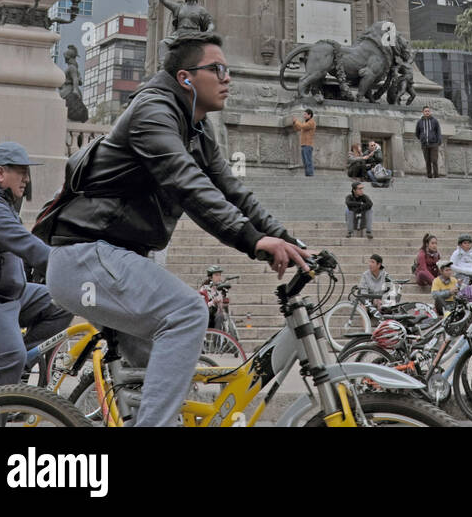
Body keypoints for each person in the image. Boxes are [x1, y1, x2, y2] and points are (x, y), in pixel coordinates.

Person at [43, 34, 310, 429]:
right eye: (217, 69)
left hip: (115, 261)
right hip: (87, 257)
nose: (227, 78)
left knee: (168, 385)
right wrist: (252, 241)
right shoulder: (153, 113)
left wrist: (289, 240)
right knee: (187, 311)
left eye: (229, 70)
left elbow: (233, 192)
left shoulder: (197, 132)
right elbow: (187, 184)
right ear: (186, 78)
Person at [0, 144, 72, 389]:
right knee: (10, 355)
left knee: (61, 302)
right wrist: (76, 268)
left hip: (8, 294)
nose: (27, 179)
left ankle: (20, 370)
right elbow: (28, 246)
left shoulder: (1, 201)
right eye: (21, 172)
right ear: (0, 174)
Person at [414, 106, 442, 179]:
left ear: (430, 112)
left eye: (428, 111)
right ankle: (429, 176)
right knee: (427, 161)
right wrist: (422, 139)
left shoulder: (435, 121)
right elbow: (417, 133)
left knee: (434, 160)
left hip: (434, 144)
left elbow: (438, 131)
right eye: (425, 111)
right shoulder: (419, 122)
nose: (427, 112)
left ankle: (436, 176)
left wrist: (438, 141)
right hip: (424, 144)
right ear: (423, 112)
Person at [292, 108, 316, 177]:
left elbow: (302, 126)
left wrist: (296, 121)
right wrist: (294, 123)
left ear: (309, 115)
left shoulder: (311, 122)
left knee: (308, 161)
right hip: (303, 144)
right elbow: (298, 128)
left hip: (308, 144)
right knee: (305, 161)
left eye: (305, 114)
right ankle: (307, 174)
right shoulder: (306, 122)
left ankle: (310, 174)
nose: (304, 116)